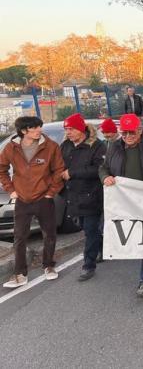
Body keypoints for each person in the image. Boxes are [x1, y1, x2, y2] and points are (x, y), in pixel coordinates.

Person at [100, 113, 143, 299]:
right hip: (125, 202)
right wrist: (106, 177)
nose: (127, 137)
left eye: (131, 133)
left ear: (140, 130)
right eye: (124, 133)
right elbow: (103, 168)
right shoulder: (114, 147)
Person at [0, 116, 64, 289]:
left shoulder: (51, 146)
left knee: (49, 235)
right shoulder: (11, 147)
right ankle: (20, 274)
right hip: (22, 200)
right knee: (19, 237)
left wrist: (51, 193)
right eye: (35, 128)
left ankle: (49, 266)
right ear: (23, 131)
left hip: (44, 199)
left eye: (39, 127)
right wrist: (10, 190)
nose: (39, 131)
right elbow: (2, 169)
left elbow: (59, 171)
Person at [60, 114, 107, 282]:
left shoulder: (96, 145)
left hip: (91, 195)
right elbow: (59, 165)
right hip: (72, 196)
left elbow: (99, 169)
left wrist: (72, 173)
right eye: (66, 129)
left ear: (81, 129)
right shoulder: (65, 145)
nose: (69, 132)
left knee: (90, 230)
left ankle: (88, 265)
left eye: (71, 129)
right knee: (87, 229)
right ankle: (102, 247)